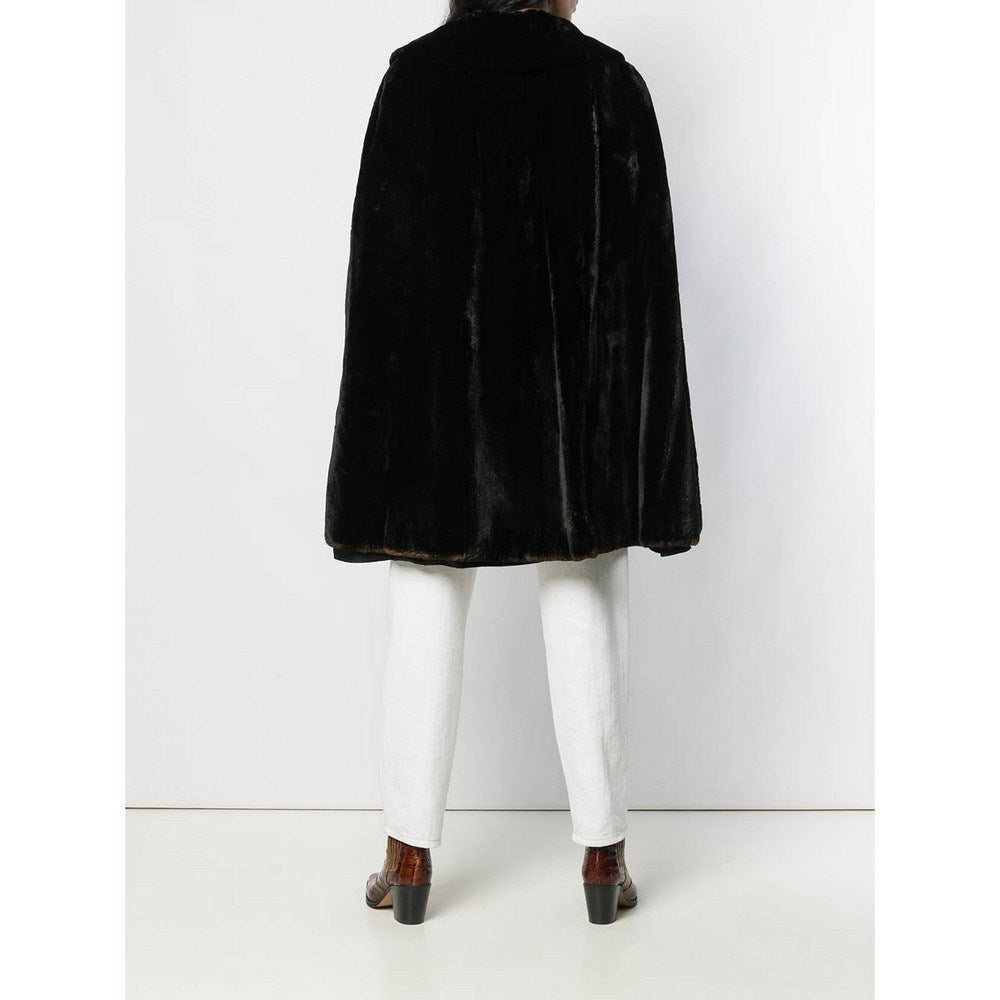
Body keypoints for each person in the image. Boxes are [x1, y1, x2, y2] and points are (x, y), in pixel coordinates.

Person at [325, 0, 701, 925]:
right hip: (574, 406)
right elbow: (645, 282)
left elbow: (378, 274)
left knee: (424, 590)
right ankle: (603, 858)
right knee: (583, 584)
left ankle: (409, 856)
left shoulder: (415, 80)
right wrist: (645, 450)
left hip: (439, 400)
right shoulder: (610, 84)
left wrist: (373, 442)